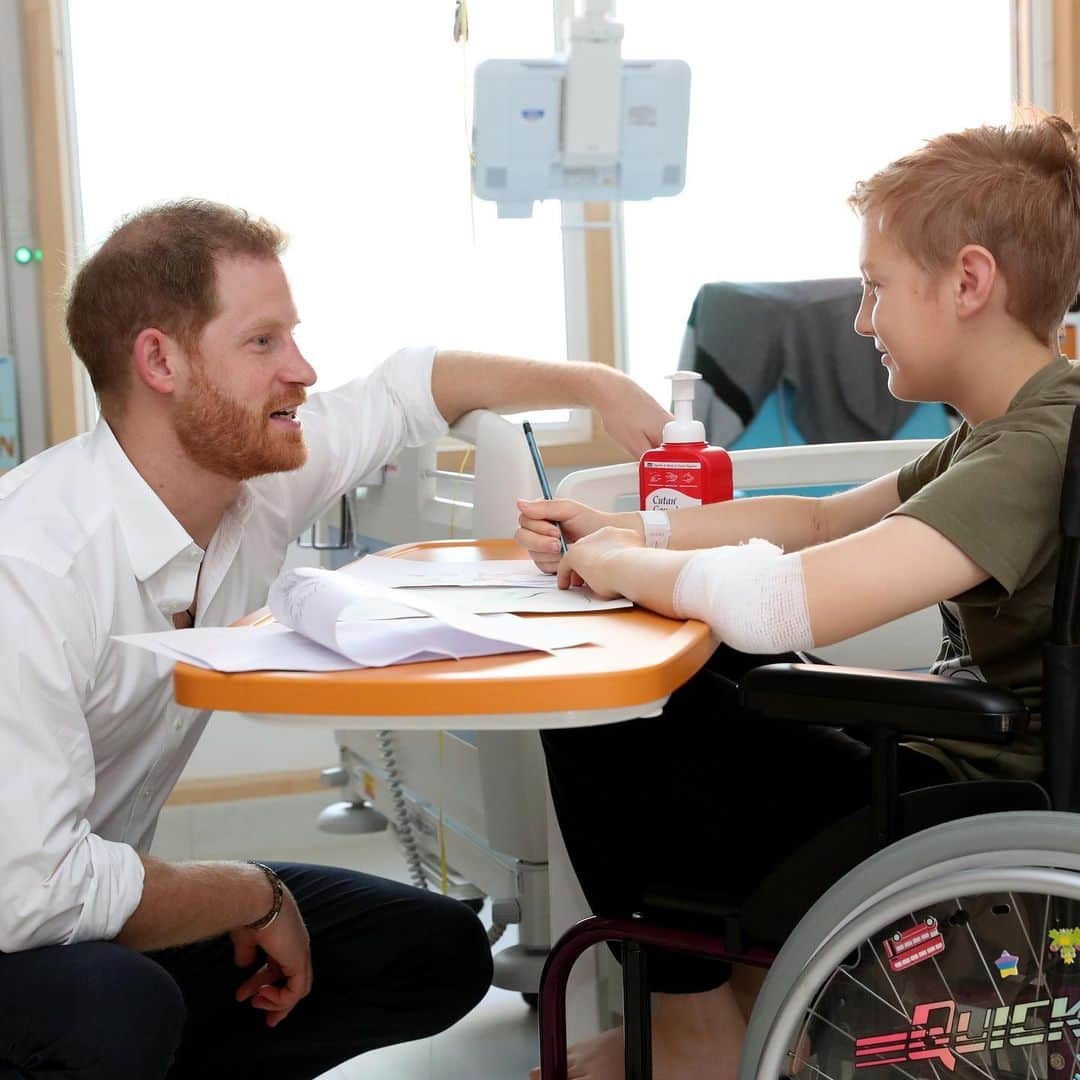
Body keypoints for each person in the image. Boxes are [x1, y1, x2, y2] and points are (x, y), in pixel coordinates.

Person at [0, 198, 672, 1080]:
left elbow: (409, 385)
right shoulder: (32, 565)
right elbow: (29, 894)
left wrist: (591, 384)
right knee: (115, 1012)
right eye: (262, 343)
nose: (303, 370)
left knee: (433, 953)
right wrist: (246, 891)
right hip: (22, 917)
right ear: (159, 359)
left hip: (81, 904)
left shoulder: (250, 481)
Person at [516, 115, 1080, 1079]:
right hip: (957, 762)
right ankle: (720, 1008)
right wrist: (631, 534)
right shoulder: (1008, 425)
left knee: (615, 699)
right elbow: (819, 524)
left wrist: (621, 569)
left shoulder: (1034, 448)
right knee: (673, 654)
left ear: (969, 282)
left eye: (876, 288)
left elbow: (793, 602)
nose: (863, 320)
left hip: (980, 795)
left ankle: (699, 1030)